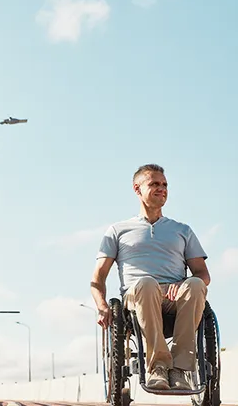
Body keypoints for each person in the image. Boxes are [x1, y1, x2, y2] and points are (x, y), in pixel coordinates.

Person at [90, 164, 210, 391]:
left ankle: (181, 369)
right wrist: (102, 306)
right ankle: (157, 367)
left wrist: (181, 283)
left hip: (176, 295)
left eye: (164, 185)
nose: (161, 189)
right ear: (137, 189)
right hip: (138, 296)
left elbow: (203, 274)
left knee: (195, 284)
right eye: (154, 184)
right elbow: (97, 279)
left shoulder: (182, 230)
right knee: (146, 283)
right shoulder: (118, 230)